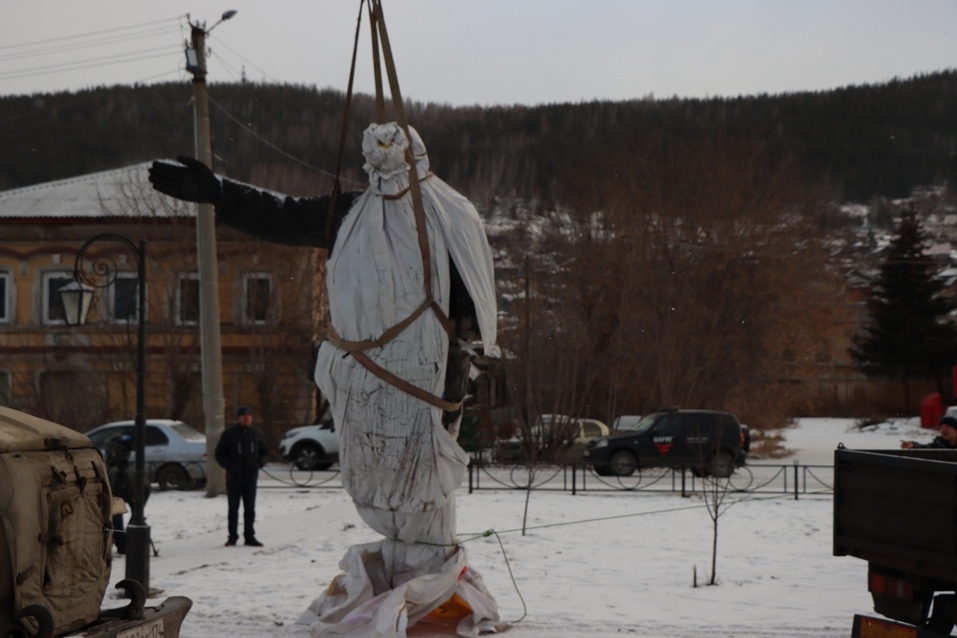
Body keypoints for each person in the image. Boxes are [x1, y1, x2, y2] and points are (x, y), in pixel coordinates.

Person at [215, 406, 267, 547]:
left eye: (249, 415)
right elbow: (219, 453)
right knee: (233, 509)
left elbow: (264, 451)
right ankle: (232, 537)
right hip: (234, 478)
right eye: (243, 415)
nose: (246, 418)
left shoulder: (256, 433)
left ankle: (249, 536)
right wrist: (229, 465)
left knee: (250, 509)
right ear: (238, 418)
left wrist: (260, 463)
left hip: (251, 477)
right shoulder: (230, 434)